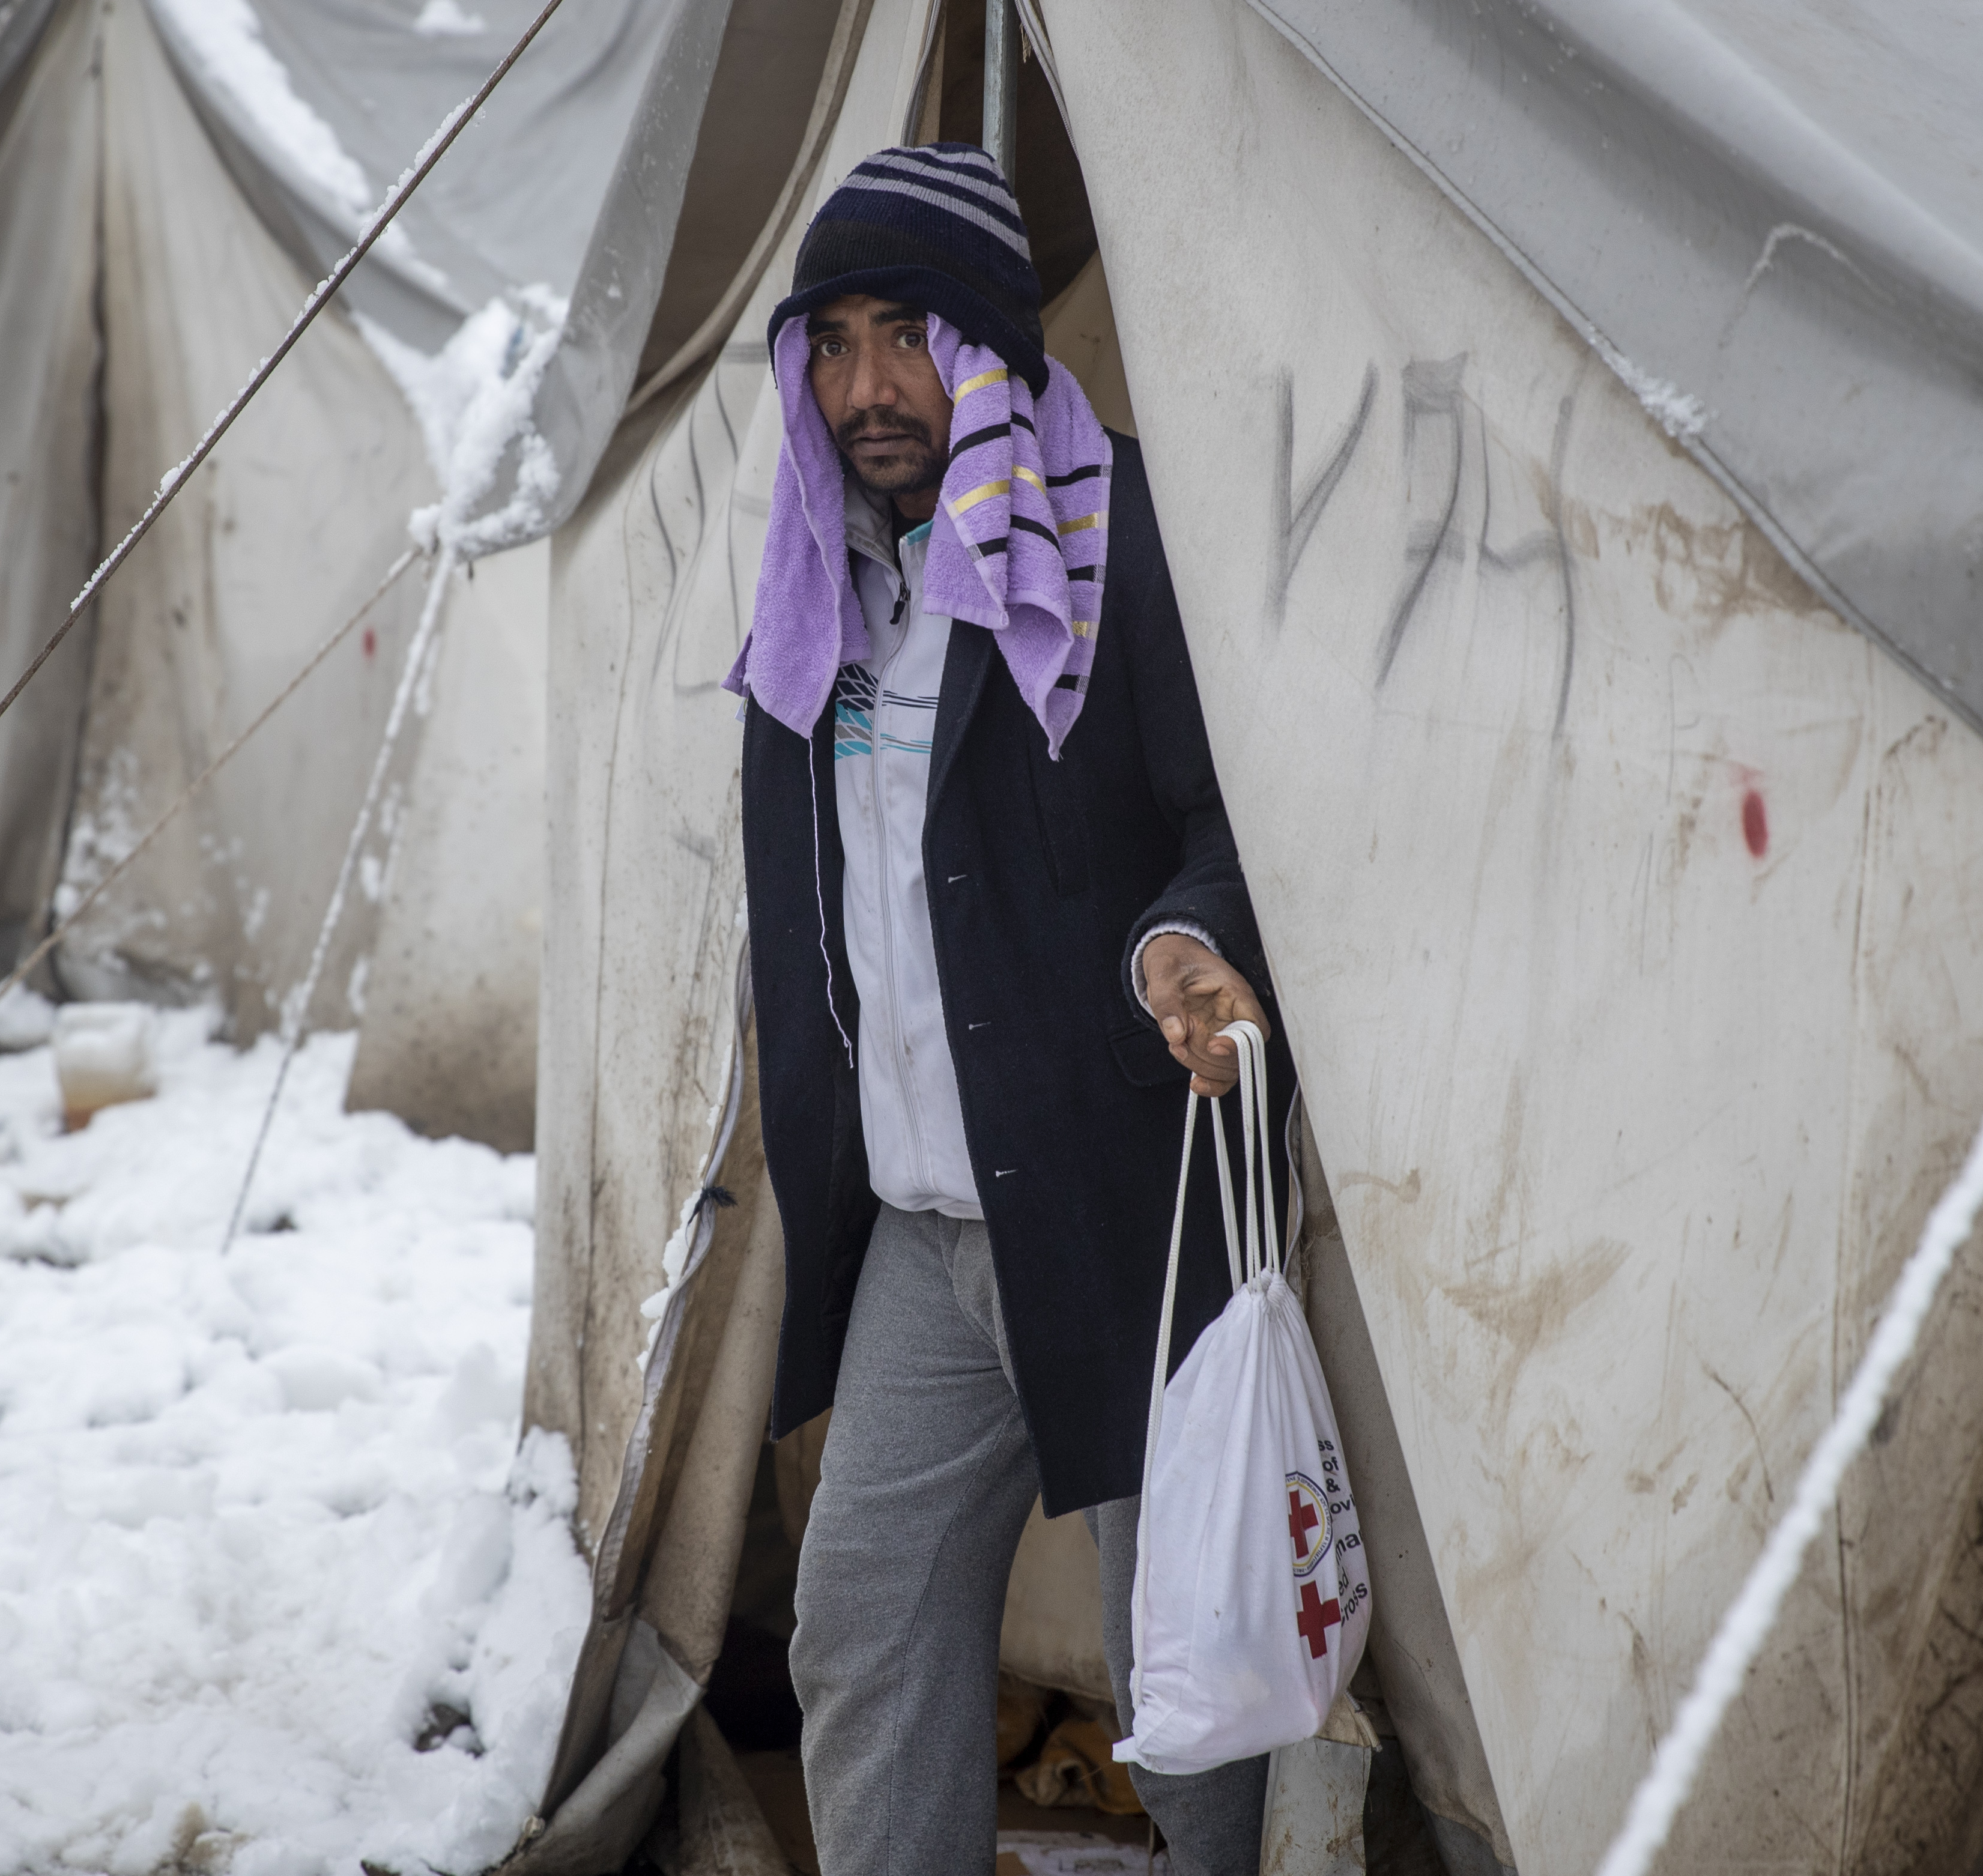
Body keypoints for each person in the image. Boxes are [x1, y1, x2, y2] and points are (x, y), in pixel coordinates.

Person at [727, 144, 1298, 1875]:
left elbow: (1235, 825)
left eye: (908, 333)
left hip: (1121, 1208)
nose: (869, 387)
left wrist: (1178, 948)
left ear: (986, 342)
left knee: (1183, 1674)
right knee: (862, 1626)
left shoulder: (1115, 541)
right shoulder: (819, 590)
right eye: (830, 343)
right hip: (922, 1224)